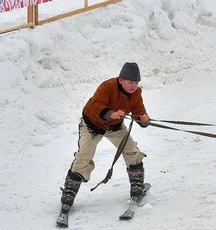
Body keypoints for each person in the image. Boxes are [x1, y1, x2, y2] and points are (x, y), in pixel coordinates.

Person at [59, 62, 151, 210]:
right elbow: (96, 105)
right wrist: (111, 114)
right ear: (121, 80)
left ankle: (137, 186)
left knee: (131, 150)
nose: (133, 86)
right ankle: (69, 191)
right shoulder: (108, 86)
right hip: (92, 125)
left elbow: (139, 112)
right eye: (130, 82)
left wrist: (144, 120)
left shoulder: (136, 93)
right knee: (84, 156)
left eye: (136, 82)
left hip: (115, 126)